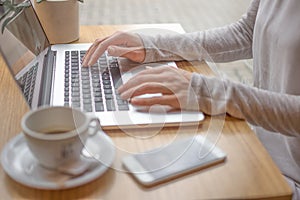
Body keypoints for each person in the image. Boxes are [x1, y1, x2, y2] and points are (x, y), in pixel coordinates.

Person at [82, 0, 300, 198]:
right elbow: (246, 33)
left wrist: (206, 91)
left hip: (291, 175)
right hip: (261, 149)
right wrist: (151, 46)